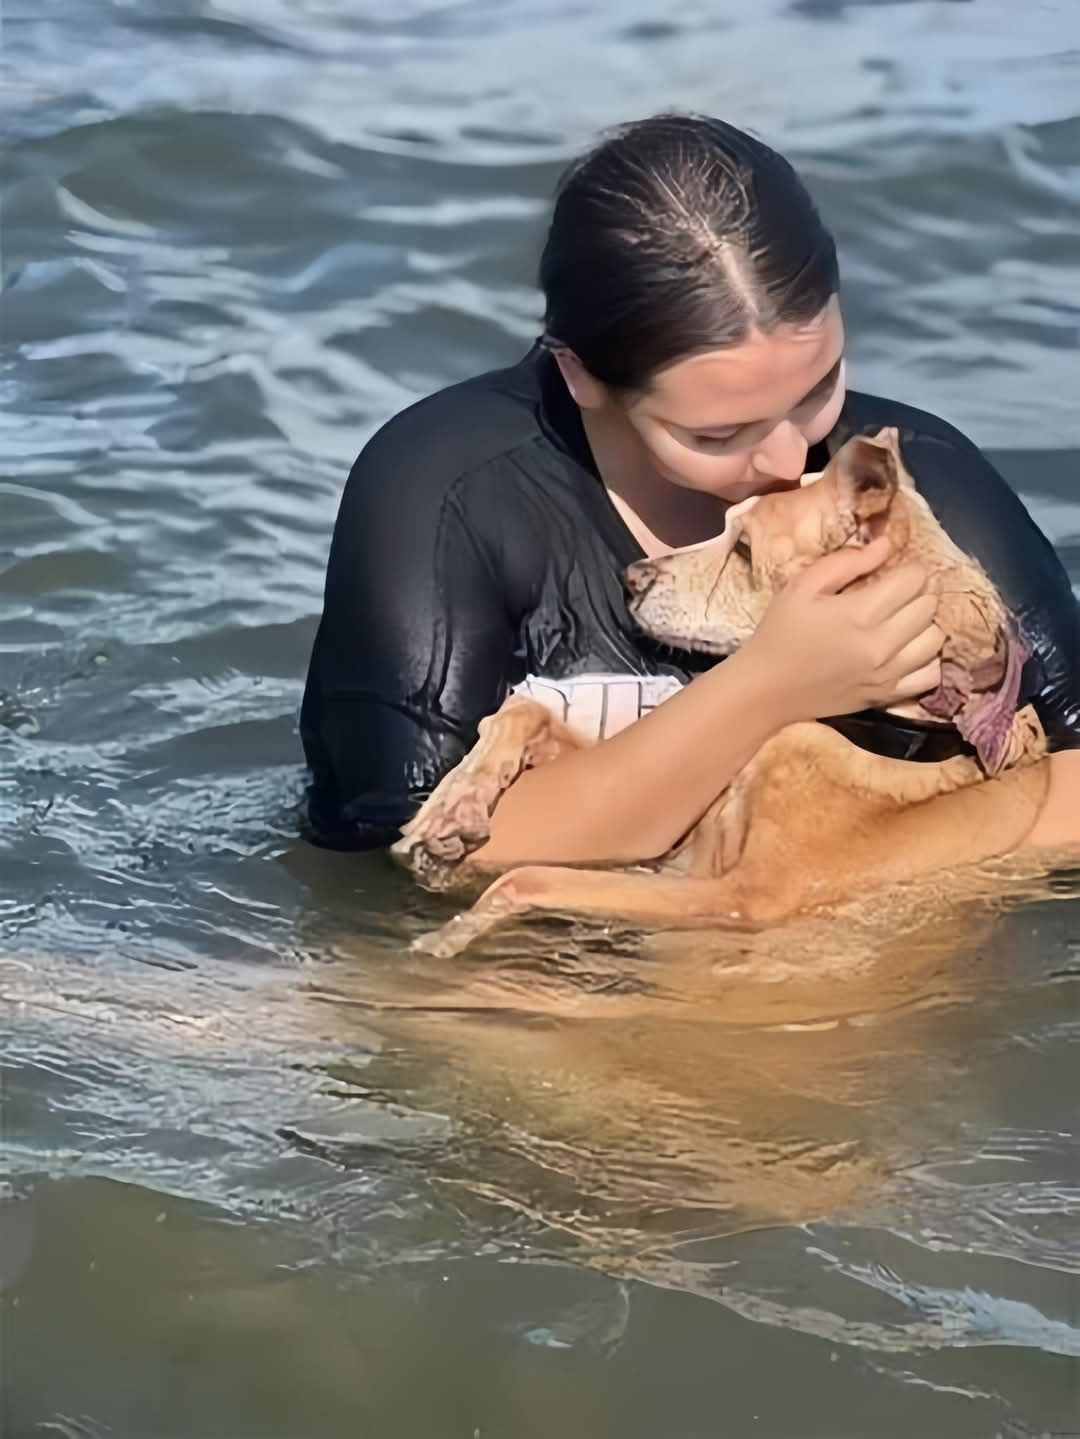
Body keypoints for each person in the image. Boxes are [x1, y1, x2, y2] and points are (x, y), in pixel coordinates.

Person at [301, 113, 1080, 863]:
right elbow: (392, 855)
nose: (788, 456)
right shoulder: (452, 494)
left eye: (819, 388)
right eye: (718, 434)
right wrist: (769, 688)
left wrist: (858, 847)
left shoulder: (915, 485)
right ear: (581, 376)